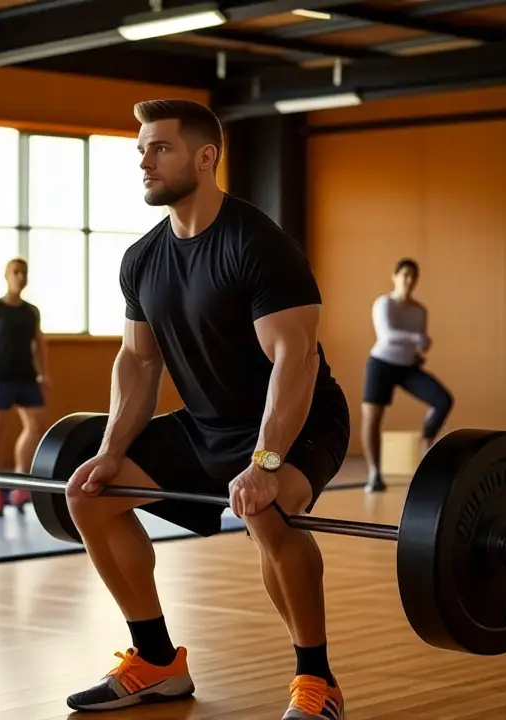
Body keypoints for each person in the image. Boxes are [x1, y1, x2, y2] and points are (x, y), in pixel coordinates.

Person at [61, 99, 350, 720]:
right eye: (141, 149)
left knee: (267, 512)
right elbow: (138, 363)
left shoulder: (258, 245)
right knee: (87, 494)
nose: (144, 161)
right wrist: (110, 451)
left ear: (205, 157)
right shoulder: (143, 259)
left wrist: (265, 462)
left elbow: (295, 362)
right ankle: (156, 661)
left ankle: (317, 680)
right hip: (206, 426)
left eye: (159, 147)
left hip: (298, 420)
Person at [360, 258, 454, 493]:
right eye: (405, 275)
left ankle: (425, 446)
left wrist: (421, 349)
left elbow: (422, 344)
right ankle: (374, 473)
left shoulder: (420, 310)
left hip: (407, 367)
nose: (409, 280)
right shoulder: (384, 303)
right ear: (395, 277)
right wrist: (418, 339)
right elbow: (388, 336)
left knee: (443, 400)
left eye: (413, 276)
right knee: (372, 418)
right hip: (381, 364)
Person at [0, 258, 49, 516]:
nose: (20, 277)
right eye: (15, 272)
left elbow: (39, 344)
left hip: (26, 377)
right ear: (7, 275)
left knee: (36, 427)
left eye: (24, 272)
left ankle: (20, 480)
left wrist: (43, 374)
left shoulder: (31, 311)